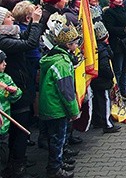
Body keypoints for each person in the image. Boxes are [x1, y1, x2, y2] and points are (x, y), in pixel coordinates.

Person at [0, 5, 43, 178]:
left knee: (20, 128)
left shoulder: (10, 34)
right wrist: (37, 22)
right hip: (15, 86)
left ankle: (19, 160)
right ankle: (17, 166)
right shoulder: (3, 40)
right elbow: (29, 43)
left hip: (21, 83)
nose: (12, 18)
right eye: (8, 16)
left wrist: (33, 22)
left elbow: (25, 37)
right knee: (19, 130)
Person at [38, 13, 80, 178]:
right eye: (76, 43)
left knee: (56, 138)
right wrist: (74, 110)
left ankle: (59, 162)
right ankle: (54, 168)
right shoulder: (62, 63)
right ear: (68, 45)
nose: (77, 45)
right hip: (56, 107)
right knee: (57, 139)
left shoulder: (53, 57)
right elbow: (66, 91)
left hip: (49, 105)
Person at [102, 0, 126, 100]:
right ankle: (116, 93)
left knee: (125, 68)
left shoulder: (124, 9)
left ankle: (123, 90)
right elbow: (110, 28)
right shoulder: (109, 12)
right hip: (117, 43)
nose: (120, 0)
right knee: (118, 69)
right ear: (112, 0)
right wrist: (124, 29)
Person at [89, 22, 120, 134]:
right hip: (102, 80)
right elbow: (105, 66)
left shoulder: (97, 48)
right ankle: (107, 124)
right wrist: (111, 76)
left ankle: (98, 120)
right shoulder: (102, 50)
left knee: (98, 101)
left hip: (97, 80)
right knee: (105, 100)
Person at [0, 49, 23, 166]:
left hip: (3, 126)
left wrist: (14, 92)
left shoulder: (6, 78)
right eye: (1, 62)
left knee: (3, 155)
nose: (5, 64)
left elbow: (16, 96)